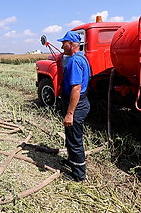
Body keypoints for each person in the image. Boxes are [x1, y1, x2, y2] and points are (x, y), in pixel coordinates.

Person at [57, 31, 91, 182]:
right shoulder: (81, 58)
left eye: (64, 43)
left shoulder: (74, 61)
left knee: (75, 140)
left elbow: (76, 88)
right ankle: (72, 162)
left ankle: (79, 175)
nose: (62, 45)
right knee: (70, 136)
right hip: (80, 103)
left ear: (71, 45)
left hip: (76, 106)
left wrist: (70, 113)